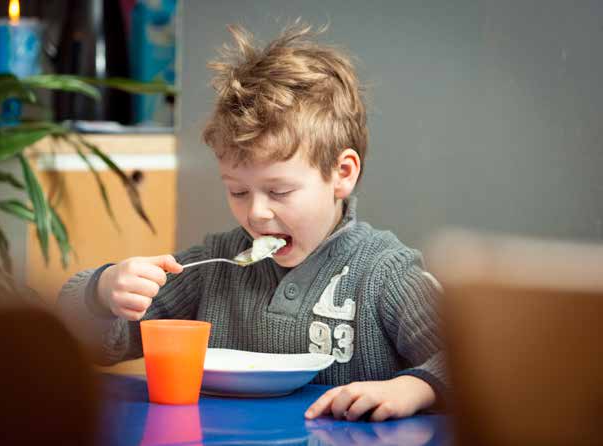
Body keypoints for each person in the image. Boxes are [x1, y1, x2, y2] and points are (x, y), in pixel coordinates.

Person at [58, 22, 446, 422]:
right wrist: (103, 292)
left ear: (341, 174)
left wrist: (414, 387)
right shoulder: (215, 266)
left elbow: (478, 361)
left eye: (278, 192)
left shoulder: (384, 272)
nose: (256, 213)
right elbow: (95, 345)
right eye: (238, 192)